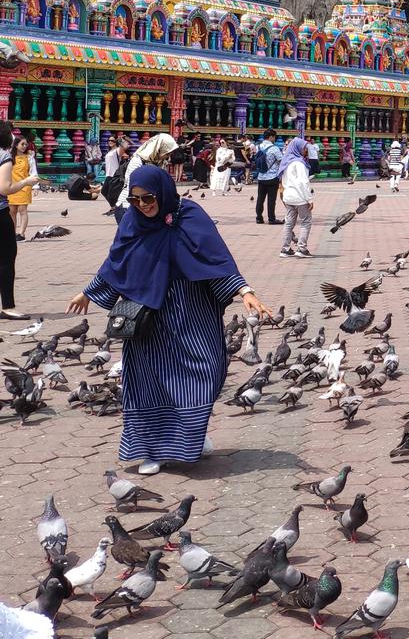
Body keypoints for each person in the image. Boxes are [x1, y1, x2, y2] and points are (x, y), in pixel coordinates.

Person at [66, 165, 270, 474]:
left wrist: (245, 291)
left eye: (148, 198)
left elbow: (214, 258)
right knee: (149, 382)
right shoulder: (133, 222)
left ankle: (190, 436)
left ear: (162, 191)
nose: (143, 205)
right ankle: (153, 451)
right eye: (134, 200)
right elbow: (117, 262)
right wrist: (88, 292)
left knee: (205, 372)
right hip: (148, 317)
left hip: (191, 311)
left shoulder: (189, 215)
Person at [0, 123, 36, 321]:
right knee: (6, 258)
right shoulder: (4, 156)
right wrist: (26, 182)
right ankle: (8, 306)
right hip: (0, 213)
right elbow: (5, 188)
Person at [278, 137, 314, 258]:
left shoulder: (286, 161)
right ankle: (301, 248)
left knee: (289, 223)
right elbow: (303, 182)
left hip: (288, 197)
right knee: (306, 221)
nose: (305, 150)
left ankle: (285, 248)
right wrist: (309, 199)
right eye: (304, 148)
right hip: (300, 197)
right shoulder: (299, 163)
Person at [8, 135, 36, 240]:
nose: (24, 146)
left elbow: (33, 171)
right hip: (11, 187)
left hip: (24, 186)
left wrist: (35, 186)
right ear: (15, 145)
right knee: (12, 211)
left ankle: (21, 234)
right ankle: (12, 233)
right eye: (22, 144)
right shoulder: (9, 157)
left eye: (25, 144)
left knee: (22, 210)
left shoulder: (29, 157)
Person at [254, 130, 283, 225]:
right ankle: (271, 218)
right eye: (274, 137)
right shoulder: (274, 148)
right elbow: (281, 160)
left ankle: (259, 218)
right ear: (271, 137)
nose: (274, 139)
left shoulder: (258, 147)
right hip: (272, 177)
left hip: (261, 176)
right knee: (271, 200)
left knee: (260, 198)